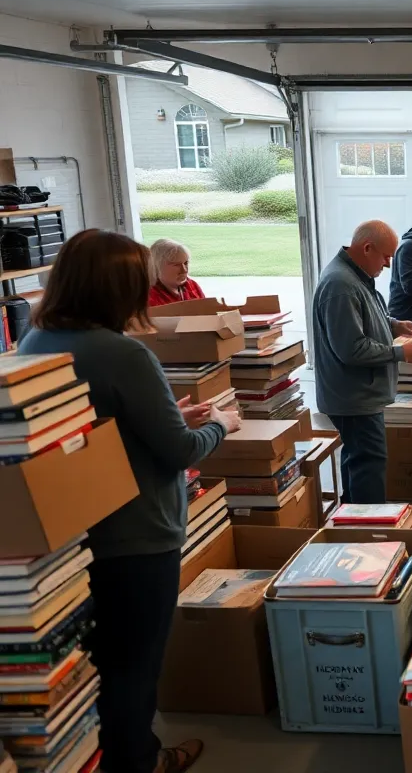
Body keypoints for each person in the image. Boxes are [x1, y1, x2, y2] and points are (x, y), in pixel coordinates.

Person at [18, 229, 241, 773]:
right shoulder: (124, 354)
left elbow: (93, 430)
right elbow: (179, 451)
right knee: (135, 663)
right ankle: (140, 761)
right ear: (119, 288)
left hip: (70, 537)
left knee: (96, 662)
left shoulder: (35, 342)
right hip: (138, 532)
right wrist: (222, 426)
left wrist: (167, 418)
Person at [312, 220, 412, 504]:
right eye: (386, 256)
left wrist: (394, 325)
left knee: (359, 462)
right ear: (366, 248)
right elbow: (352, 349)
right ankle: (368, 531)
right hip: (354, 397)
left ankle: (354, 523)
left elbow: (361, 318)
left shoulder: (354, 277)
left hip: (359, 393)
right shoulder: (341, 284)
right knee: (369, 466)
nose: (389, 264)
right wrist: (401, 353)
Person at [147, 238, 205, 307]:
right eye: (176, 265)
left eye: (186, 263)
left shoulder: (192, 285)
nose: (184, 270)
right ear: (156, 267)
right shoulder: (148, 296)